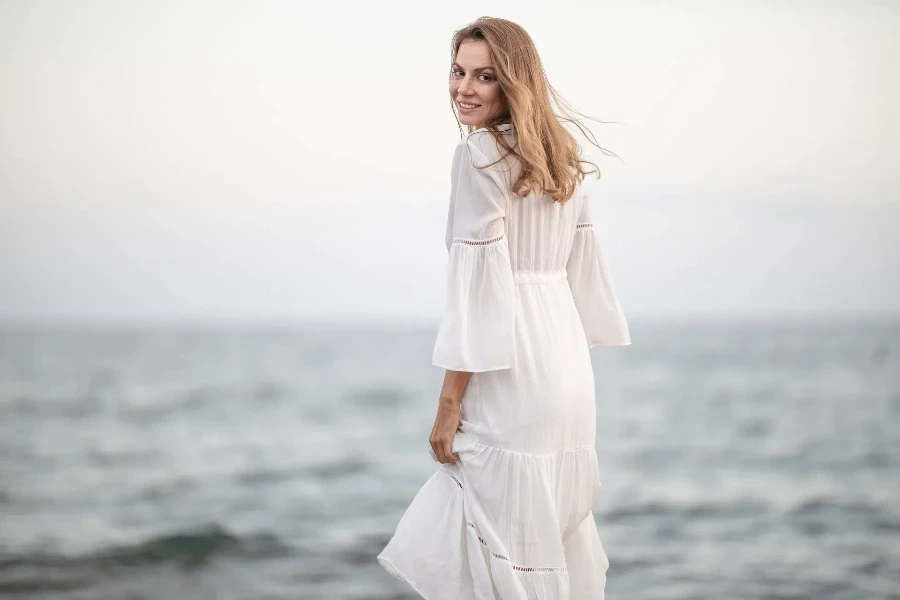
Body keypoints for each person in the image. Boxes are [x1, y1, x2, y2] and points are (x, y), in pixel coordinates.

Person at [377, 16, 631, 600]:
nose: (464, 88)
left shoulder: (480, 155)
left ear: (513, 83)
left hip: (511, 370)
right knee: (543, 535)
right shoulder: (560, 157)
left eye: (484, 76)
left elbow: (480, 292)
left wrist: (448, 404)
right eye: (458, 71)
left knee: (498, 552)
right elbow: (581, 276)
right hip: (564, 369)